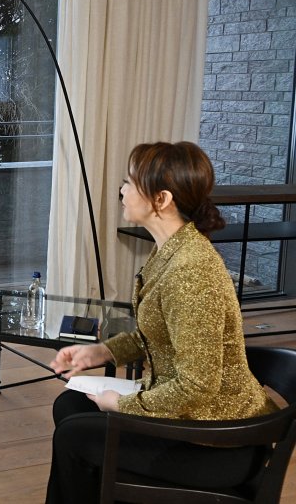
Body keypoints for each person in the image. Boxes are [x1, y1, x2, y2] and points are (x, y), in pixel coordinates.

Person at [45, 141, 278, 503]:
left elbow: (197, 386)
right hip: (189, 419)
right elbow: (155, 334)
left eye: (129, 183)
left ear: (161, 199)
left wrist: (123, 405)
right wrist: (101, 352)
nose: (122, 191)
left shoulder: (191, 272)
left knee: (75, 437)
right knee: (70, 406)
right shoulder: (171, 250)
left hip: (217, 440)